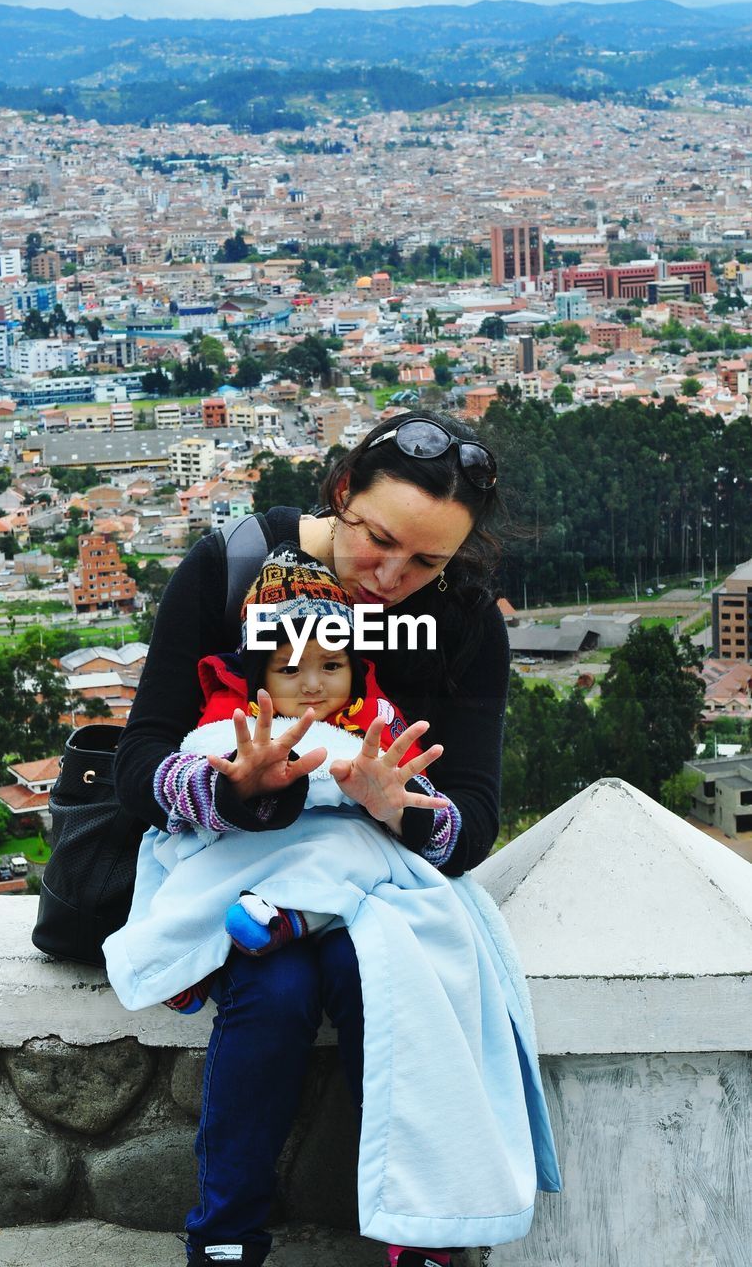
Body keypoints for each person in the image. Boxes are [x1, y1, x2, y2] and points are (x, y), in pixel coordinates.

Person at [113, 411, 559, 1267]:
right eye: (379, 540)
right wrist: (233, 790)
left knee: (379, 975)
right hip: (246, 862)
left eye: (428, 561)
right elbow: (142, 757)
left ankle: (419, 1235)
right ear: (341, 491)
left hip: (378, 873)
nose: (392, 578)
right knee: (275, 994)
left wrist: (402, 808)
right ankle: (225, 1238)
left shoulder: (463, 620)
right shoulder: (234, 566)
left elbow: (472, 818)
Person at [106, 542, 457, 1016]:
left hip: (339, 854)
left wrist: (397, 802)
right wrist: (235, 786)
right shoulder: (236, 721)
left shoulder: (376, 721)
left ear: (355, 667)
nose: (313, 684)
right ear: (259, 678)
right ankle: (178, 958)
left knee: (344, 852)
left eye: (332, 665)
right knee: (188, 869)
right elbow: (200, 761)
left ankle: (292, 919)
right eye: (289, 669)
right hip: (247, 849)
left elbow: (419, 800)